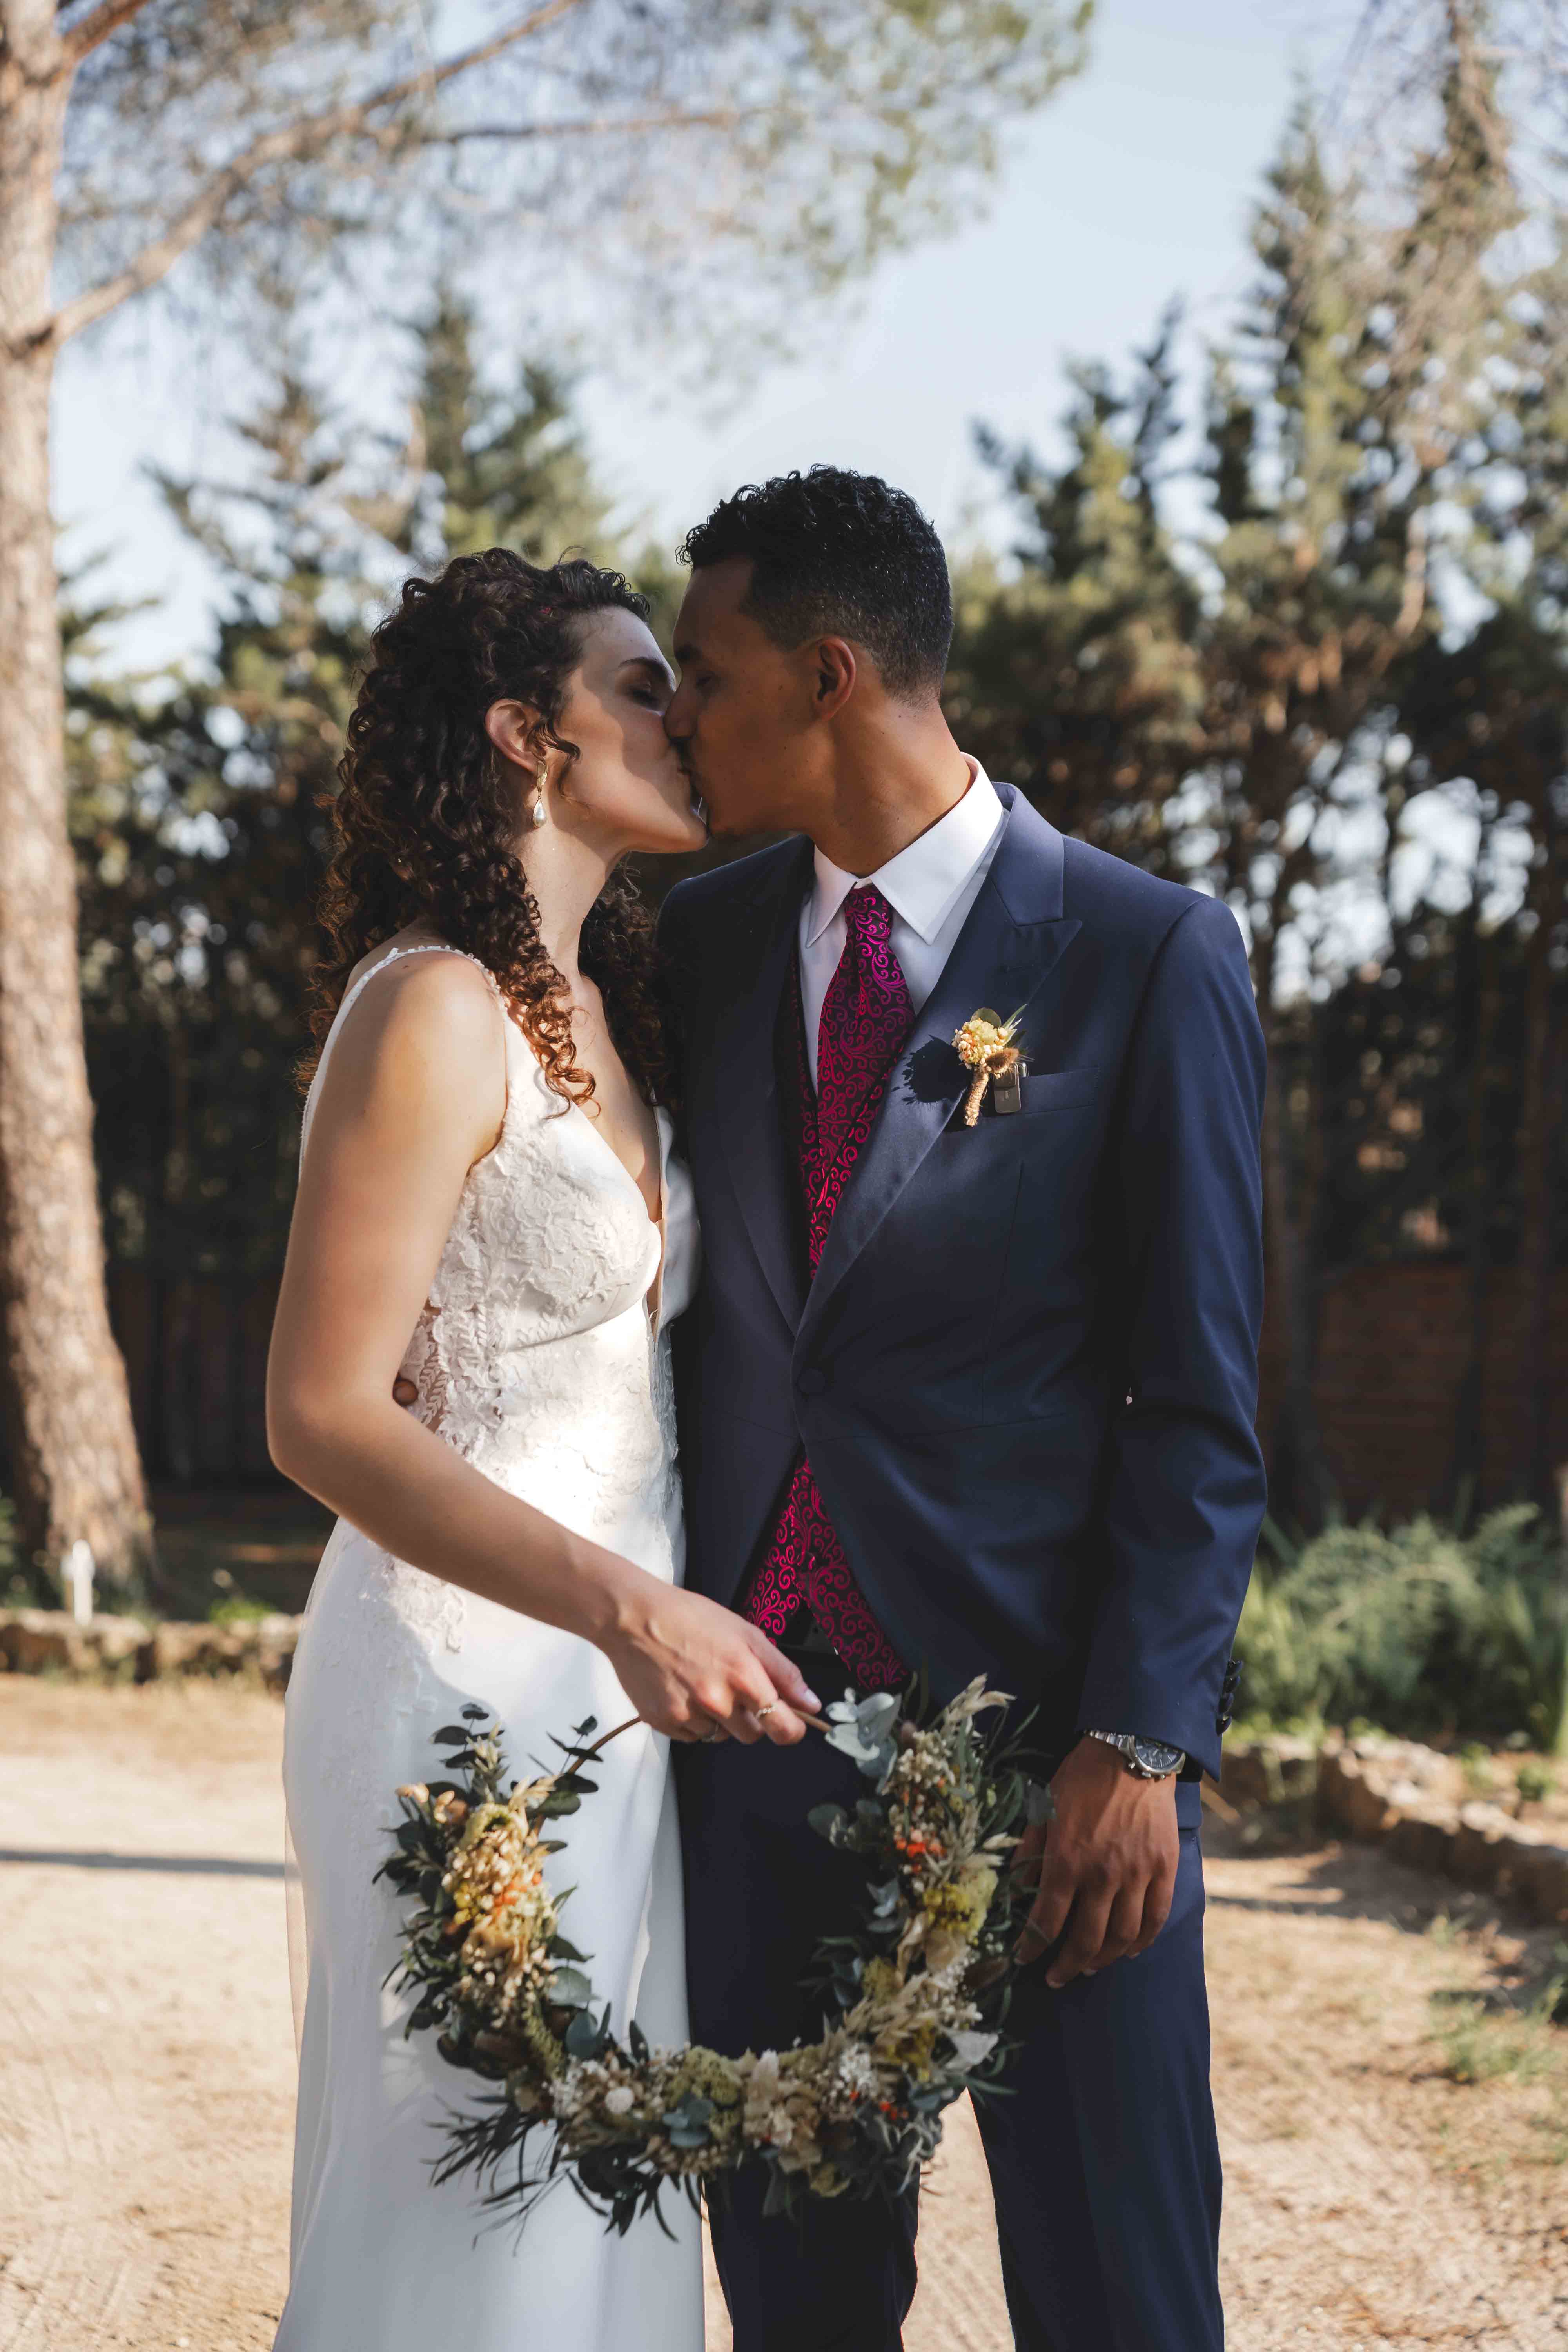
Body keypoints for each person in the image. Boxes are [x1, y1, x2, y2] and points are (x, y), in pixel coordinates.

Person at [660, 466, 1267, 2352]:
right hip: (756, 1759)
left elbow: (1201, 1403)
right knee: (798, 2312)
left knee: (1117, 2300)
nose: (676, 715)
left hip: (1046, 1775)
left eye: (704, 670)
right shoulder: (697, 941)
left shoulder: (1146, 951)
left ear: (831, 674)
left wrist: (1139, 1747)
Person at [265, 549, 818, 2352]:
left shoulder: (614, 1011)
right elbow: (321, 1410)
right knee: (468, 2210)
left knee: (599, 2212)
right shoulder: (427, 1007)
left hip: (620, 1699)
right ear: (527, 738)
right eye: (646, 685)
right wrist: (622, 1611)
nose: (690, 715)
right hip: (462, 1678)